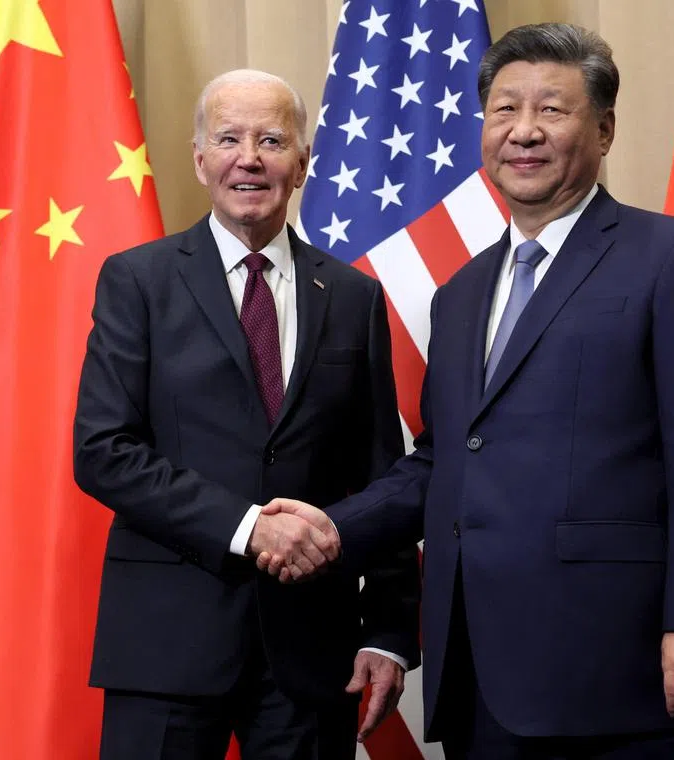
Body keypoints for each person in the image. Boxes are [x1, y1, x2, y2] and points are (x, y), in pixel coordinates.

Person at [259, 24, 674, 760]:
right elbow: (442, 459)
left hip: (615, 666)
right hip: (478, 672)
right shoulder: (461, 293)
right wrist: (333, 528)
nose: (523, 132)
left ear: (605, 128)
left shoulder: (672, 259)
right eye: (503, 110)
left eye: (552, 110)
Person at [72, 69, 420, 759]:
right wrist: (246, 529)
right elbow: (103, 450)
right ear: (200, 159)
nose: (249, 158)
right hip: (167, 644)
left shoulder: (353, 297)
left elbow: (383, 479)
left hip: (312, 649)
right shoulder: (137, 280)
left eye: (271, 139)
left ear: (303, 160)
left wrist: (387, 630)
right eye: (228, 138)